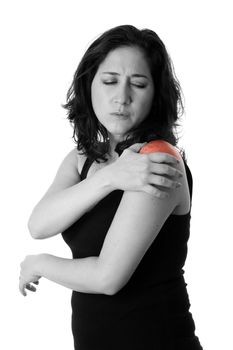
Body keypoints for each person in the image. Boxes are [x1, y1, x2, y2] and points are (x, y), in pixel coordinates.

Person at [19, 25, 203, 349]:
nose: (122, 97)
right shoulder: (84, 159)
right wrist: (109, 178)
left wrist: (39, 264)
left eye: (139, 84)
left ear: (155, 94)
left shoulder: (158, 160)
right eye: (110, 81)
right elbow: (39, 223)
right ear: (89, 84)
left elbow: (107, 278)